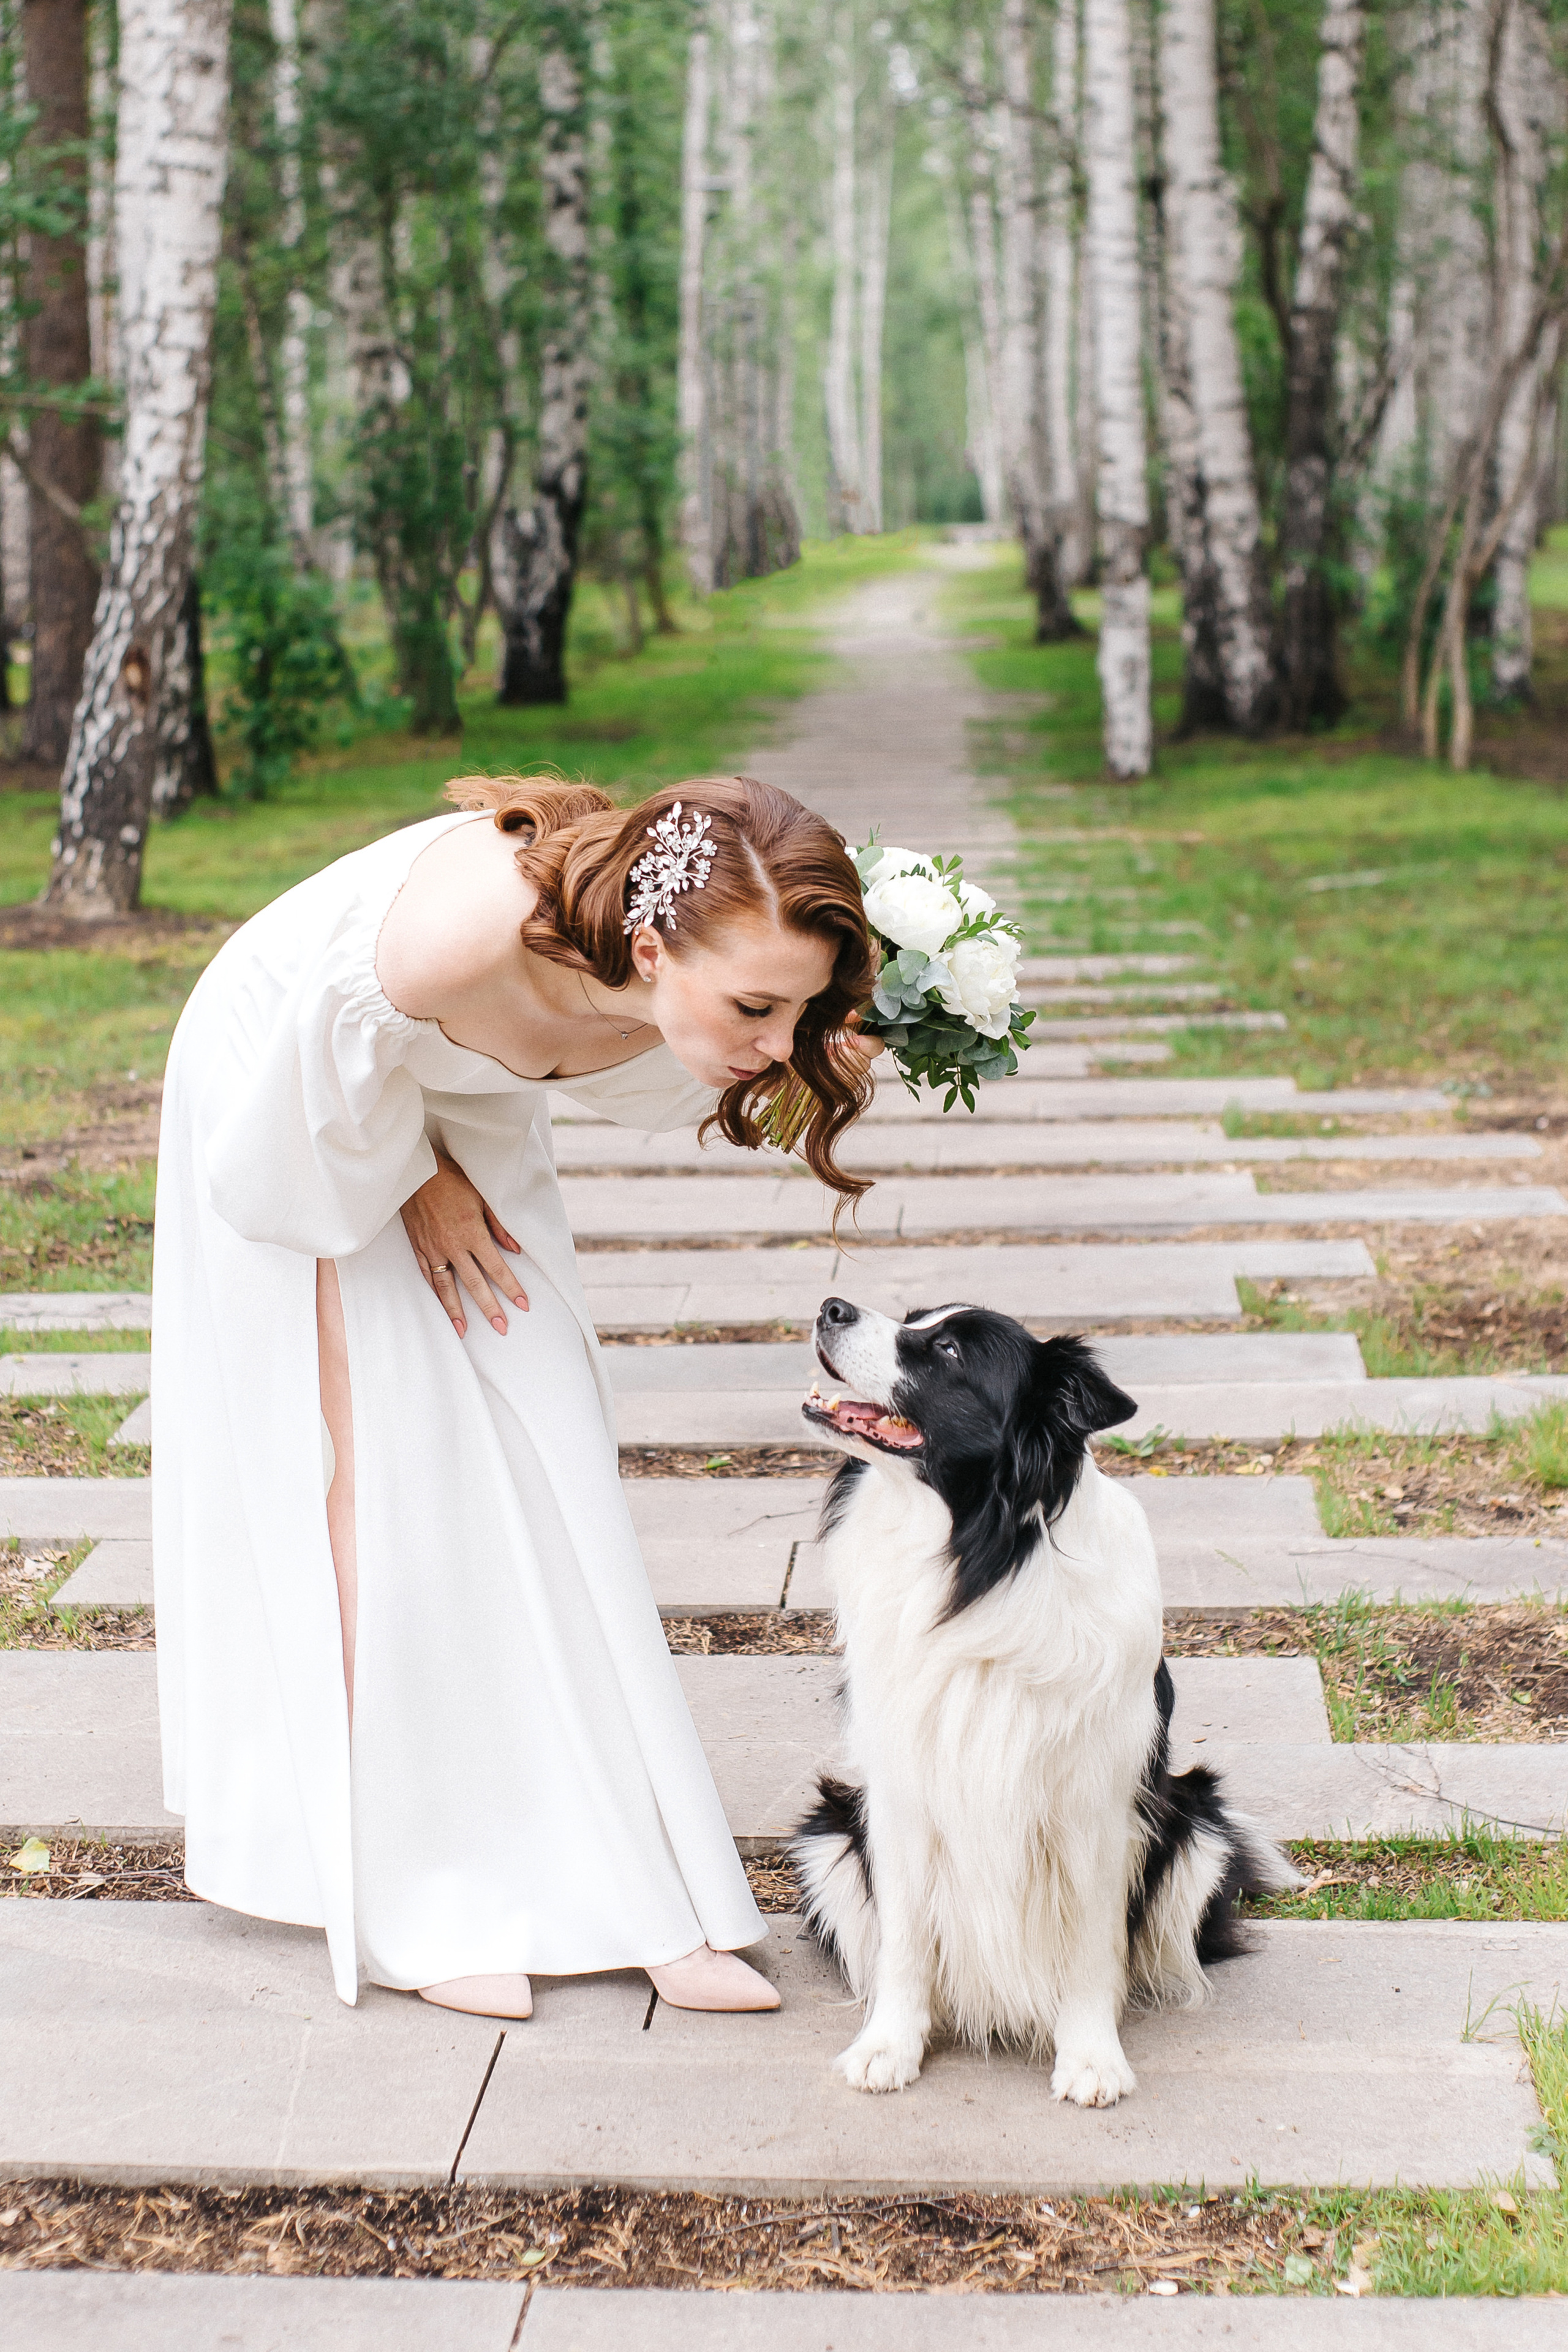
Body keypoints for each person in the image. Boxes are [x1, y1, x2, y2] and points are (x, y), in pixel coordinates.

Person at [152, 775, 880, 2019]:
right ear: (649, 951)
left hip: (446, 1099)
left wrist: (841, 1025)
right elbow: (316, 1099)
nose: (773, 1038)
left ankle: (644, 1882)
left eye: (794, 1007)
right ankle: (414, 1889)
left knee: (548, 1443)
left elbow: (687, 1051)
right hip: (302, 1105)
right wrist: (414, 1180)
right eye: (754, 1007)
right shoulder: (448, 943)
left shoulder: (699, 925)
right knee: (385, 1469)